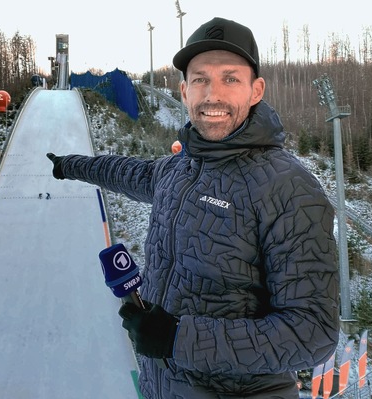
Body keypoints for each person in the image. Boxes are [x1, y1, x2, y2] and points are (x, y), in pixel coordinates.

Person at [46, 17, 339, 399]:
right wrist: (69, 165)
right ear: (184, 91)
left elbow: (312, 333)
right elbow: (124, 171)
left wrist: (178, 339)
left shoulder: (288, 188)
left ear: (256, 90)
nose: (212, 93)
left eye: (230, 78)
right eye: (200, 79)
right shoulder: (177, 170)